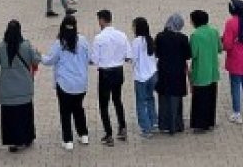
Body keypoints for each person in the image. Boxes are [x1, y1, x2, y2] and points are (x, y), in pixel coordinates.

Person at [41, 15, 91, 150]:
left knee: (65, 111)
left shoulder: (60, 43)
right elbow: (90, 58)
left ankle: (68, 140)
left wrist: (38, 55)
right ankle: (83, 134)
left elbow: (49, 60)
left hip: (65, 83)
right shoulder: (83, 40)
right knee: (78, 108)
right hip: (81, 83)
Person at [0, 19, 40, 152]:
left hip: (7, 90)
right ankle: (26, 138)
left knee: (9, 117)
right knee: (24, 115)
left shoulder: (1, 46)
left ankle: (12, 142)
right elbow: (36, 60)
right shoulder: (26, 45)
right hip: (24, 88)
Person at [91, 9, 130, 145]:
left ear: (101, 20)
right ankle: (122, 127)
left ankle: (108, 134)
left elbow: (94, 59)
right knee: (117, 100)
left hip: (105, 73)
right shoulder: (122, 35)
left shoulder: (99, 38)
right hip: (118, 71)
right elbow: (128, 56)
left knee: (104, 104)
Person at [153, 13, 190, 135]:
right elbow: (188, 55)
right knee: (176, 99)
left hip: (163, 71)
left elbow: (156, 53)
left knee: (163, 98)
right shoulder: (183, 38)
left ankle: (163, 124)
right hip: (178, 72)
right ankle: (176, 124)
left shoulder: (160, 36)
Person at [187, 9, 221, 132]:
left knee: (200, 99)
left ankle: (200, 124)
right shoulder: (214, 31)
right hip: (213, 71)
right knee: (211, 98)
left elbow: (193, 54)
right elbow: (219, 48)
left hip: (201, 72)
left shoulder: (195, 35)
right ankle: (210, 121)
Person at [130, 17, 158, 138]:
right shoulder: (150, 39)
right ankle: (154, 122)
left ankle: (146, 128)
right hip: (153, 74)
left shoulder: (136, 42)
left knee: (141, 102)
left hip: (141, 76)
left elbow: (133, 58)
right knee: (150, 98)